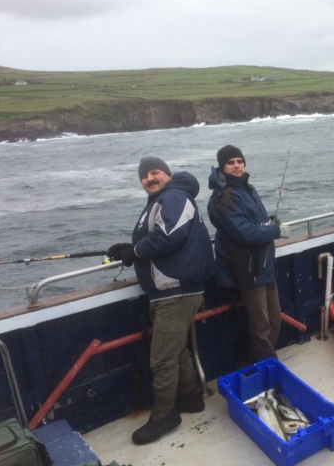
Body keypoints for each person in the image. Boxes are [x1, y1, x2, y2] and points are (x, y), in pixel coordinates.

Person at [107, 157, 213, 445]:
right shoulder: (163, 199)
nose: (150, 178)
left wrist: (136, 252)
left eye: (155, 172)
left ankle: (164, 416)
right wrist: (130, 249)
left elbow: (170, 234)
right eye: (145, 176)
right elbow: (157, 235)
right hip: (166, 290)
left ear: (168, 174)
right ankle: (190, 397)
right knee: (176, 349)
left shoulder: (175, 196)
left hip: (176, 290)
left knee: (162, 358)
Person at [207, 145, 290, 362]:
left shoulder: (248, 189)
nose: (236, 165)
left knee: (274, 320)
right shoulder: (222, 198)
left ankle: (260, 362)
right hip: (247, 270)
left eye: (239, 161)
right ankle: (268, 369)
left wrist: (270, 222)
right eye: (230, 162)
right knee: (261, 326)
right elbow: (243, 232)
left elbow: (253, 223)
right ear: (222, 167)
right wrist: (275, 231)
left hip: (265, 265)